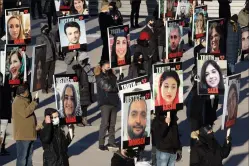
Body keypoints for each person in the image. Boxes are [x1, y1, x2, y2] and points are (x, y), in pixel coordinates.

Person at [95, 60, 119, 151]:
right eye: (106, 65)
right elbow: (108, 87)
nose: (108, 66)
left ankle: (111, 141)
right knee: (105, 123)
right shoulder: (99, 77)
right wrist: (116, 88)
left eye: (109, 65)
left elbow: (118, 84)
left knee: (112, 124)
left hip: (114, 102)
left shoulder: (112, 75)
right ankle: (101, 143)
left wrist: (118, 78)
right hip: (105, 102)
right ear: (102, 66)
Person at [12, 83, 39, 166]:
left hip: (29, 134)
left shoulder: (24, 100)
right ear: (22, 92)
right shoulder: (18, 101)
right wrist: (34, 103)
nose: (28, 92)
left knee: (29, 158)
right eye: (27, 90)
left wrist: (34, 102)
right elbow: (25, 113)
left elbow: (29, 111)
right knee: (22, 158)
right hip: (23, 136)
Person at [72, 52, 93, 127]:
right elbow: (76, 79)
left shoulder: (87, 67)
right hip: (81, 90)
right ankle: (78, 121)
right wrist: (81, 87)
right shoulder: (78, 69)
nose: (88, 60)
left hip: (87, 89)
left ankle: (84, 120)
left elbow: (92, 77)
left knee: (85, 106)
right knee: (79, 106)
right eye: (86, 59)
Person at [36, 24, 58, 93]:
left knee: (51, 73)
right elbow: (39, 50)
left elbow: (54, 45)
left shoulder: (51, 35)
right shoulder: (39, 38)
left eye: (47, 27)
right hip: (45, 59)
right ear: (42, 29)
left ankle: (49, 87)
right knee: (44, 74)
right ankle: (43, 88)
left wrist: (56, 53)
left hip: (53, 57)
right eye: (45, 28)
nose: (47, 29)